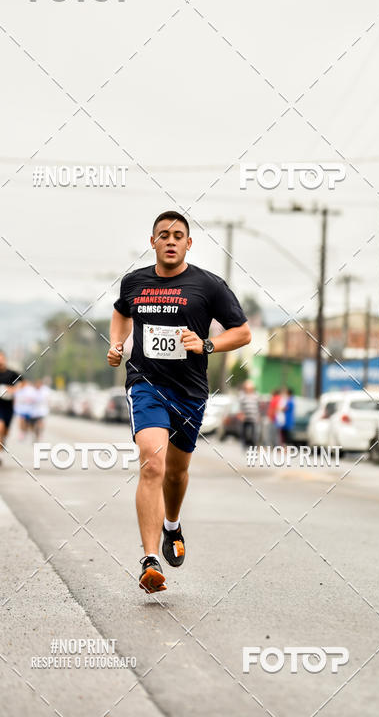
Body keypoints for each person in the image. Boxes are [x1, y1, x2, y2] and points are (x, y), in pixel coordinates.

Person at [107, 210, 251, 593]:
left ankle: (172, 524)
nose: (170, 240)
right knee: (153, 462)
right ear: (152, 242)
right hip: (146, 384)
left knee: (176, 472)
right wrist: (117, 344)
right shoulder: (135, 282)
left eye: (178, 235)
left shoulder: (209, 285)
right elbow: (121, 313)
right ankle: (150, 560)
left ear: (189, 243)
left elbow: (242, 332)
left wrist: (206, 344)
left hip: (190, 391)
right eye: (163, 235)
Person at [0, 350, 23, 465]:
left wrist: (13, 389)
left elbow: (22, 383)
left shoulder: (12, 374)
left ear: (4, 359)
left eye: (1, 359)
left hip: (9, 407)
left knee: (5, 431)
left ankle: (2, 441)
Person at [239, 380, 260, 449]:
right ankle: (244, 444)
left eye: (251, 388)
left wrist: (258, 415)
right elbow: (240, 406)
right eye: (248, 388)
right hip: (245, 416)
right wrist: (241, 414)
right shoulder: (242, 395)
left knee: (253, 432)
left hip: (253, 416)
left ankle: (253, 445)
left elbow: (258, 406)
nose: (249, 389)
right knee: (244, 431)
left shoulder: (256, 395)